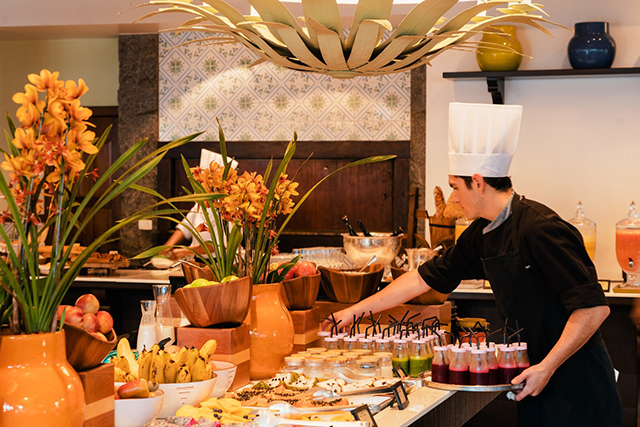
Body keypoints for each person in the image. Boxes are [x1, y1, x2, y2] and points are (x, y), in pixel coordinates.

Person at [324, 103, 622, 426]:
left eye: (455, 187)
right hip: (535, 382)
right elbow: (422, 279)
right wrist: (351, 314)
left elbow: (593, 309)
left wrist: (547, 366)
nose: (452, 200)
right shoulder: (481, 233)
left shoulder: (540, 229)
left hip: (580, 390)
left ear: (477, 182)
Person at [161, 149, 238, 260]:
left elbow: (220, 244)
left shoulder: (229, 209)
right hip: (199, 260)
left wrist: (184, 251)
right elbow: (184, 228)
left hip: (221, 263)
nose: (199, 182)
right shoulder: (201, 204)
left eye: (202, 179)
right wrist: (166, 248)